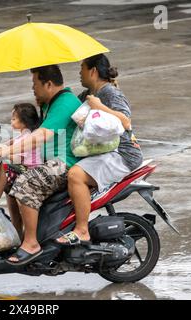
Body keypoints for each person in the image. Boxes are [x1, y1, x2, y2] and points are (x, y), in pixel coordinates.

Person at [0, 65, 82, 265]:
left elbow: (40, 136)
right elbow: (31, 132)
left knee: (25, 182)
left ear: (48, 84)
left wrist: (6, 152)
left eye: (35, 84)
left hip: (64, 165)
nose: (33, 89)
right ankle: (19, 234)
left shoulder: (64, 103)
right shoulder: (50, 103)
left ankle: (31, 243)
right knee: (10, 177)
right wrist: (4, 146)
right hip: (49, 162)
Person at [56, 54, 143, 246]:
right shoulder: (87, 94)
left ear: (93, 71)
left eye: (82, 68)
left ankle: (82, 231)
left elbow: (126, 122)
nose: (79, 73)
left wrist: (100, 106)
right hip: (104, 152)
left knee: (76, 175)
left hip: (122, 155)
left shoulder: (110, 93)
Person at [0, 103, 41, 239]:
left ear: (24, 122)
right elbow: (11, 143)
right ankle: (17, 238)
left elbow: (18, 158)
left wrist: (3, 154)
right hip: (23, 170)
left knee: (5, 164)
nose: (11, 121)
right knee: (13, 209)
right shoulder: (23, 135)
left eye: (14, 119)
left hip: (30, 172)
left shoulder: (27, 137)